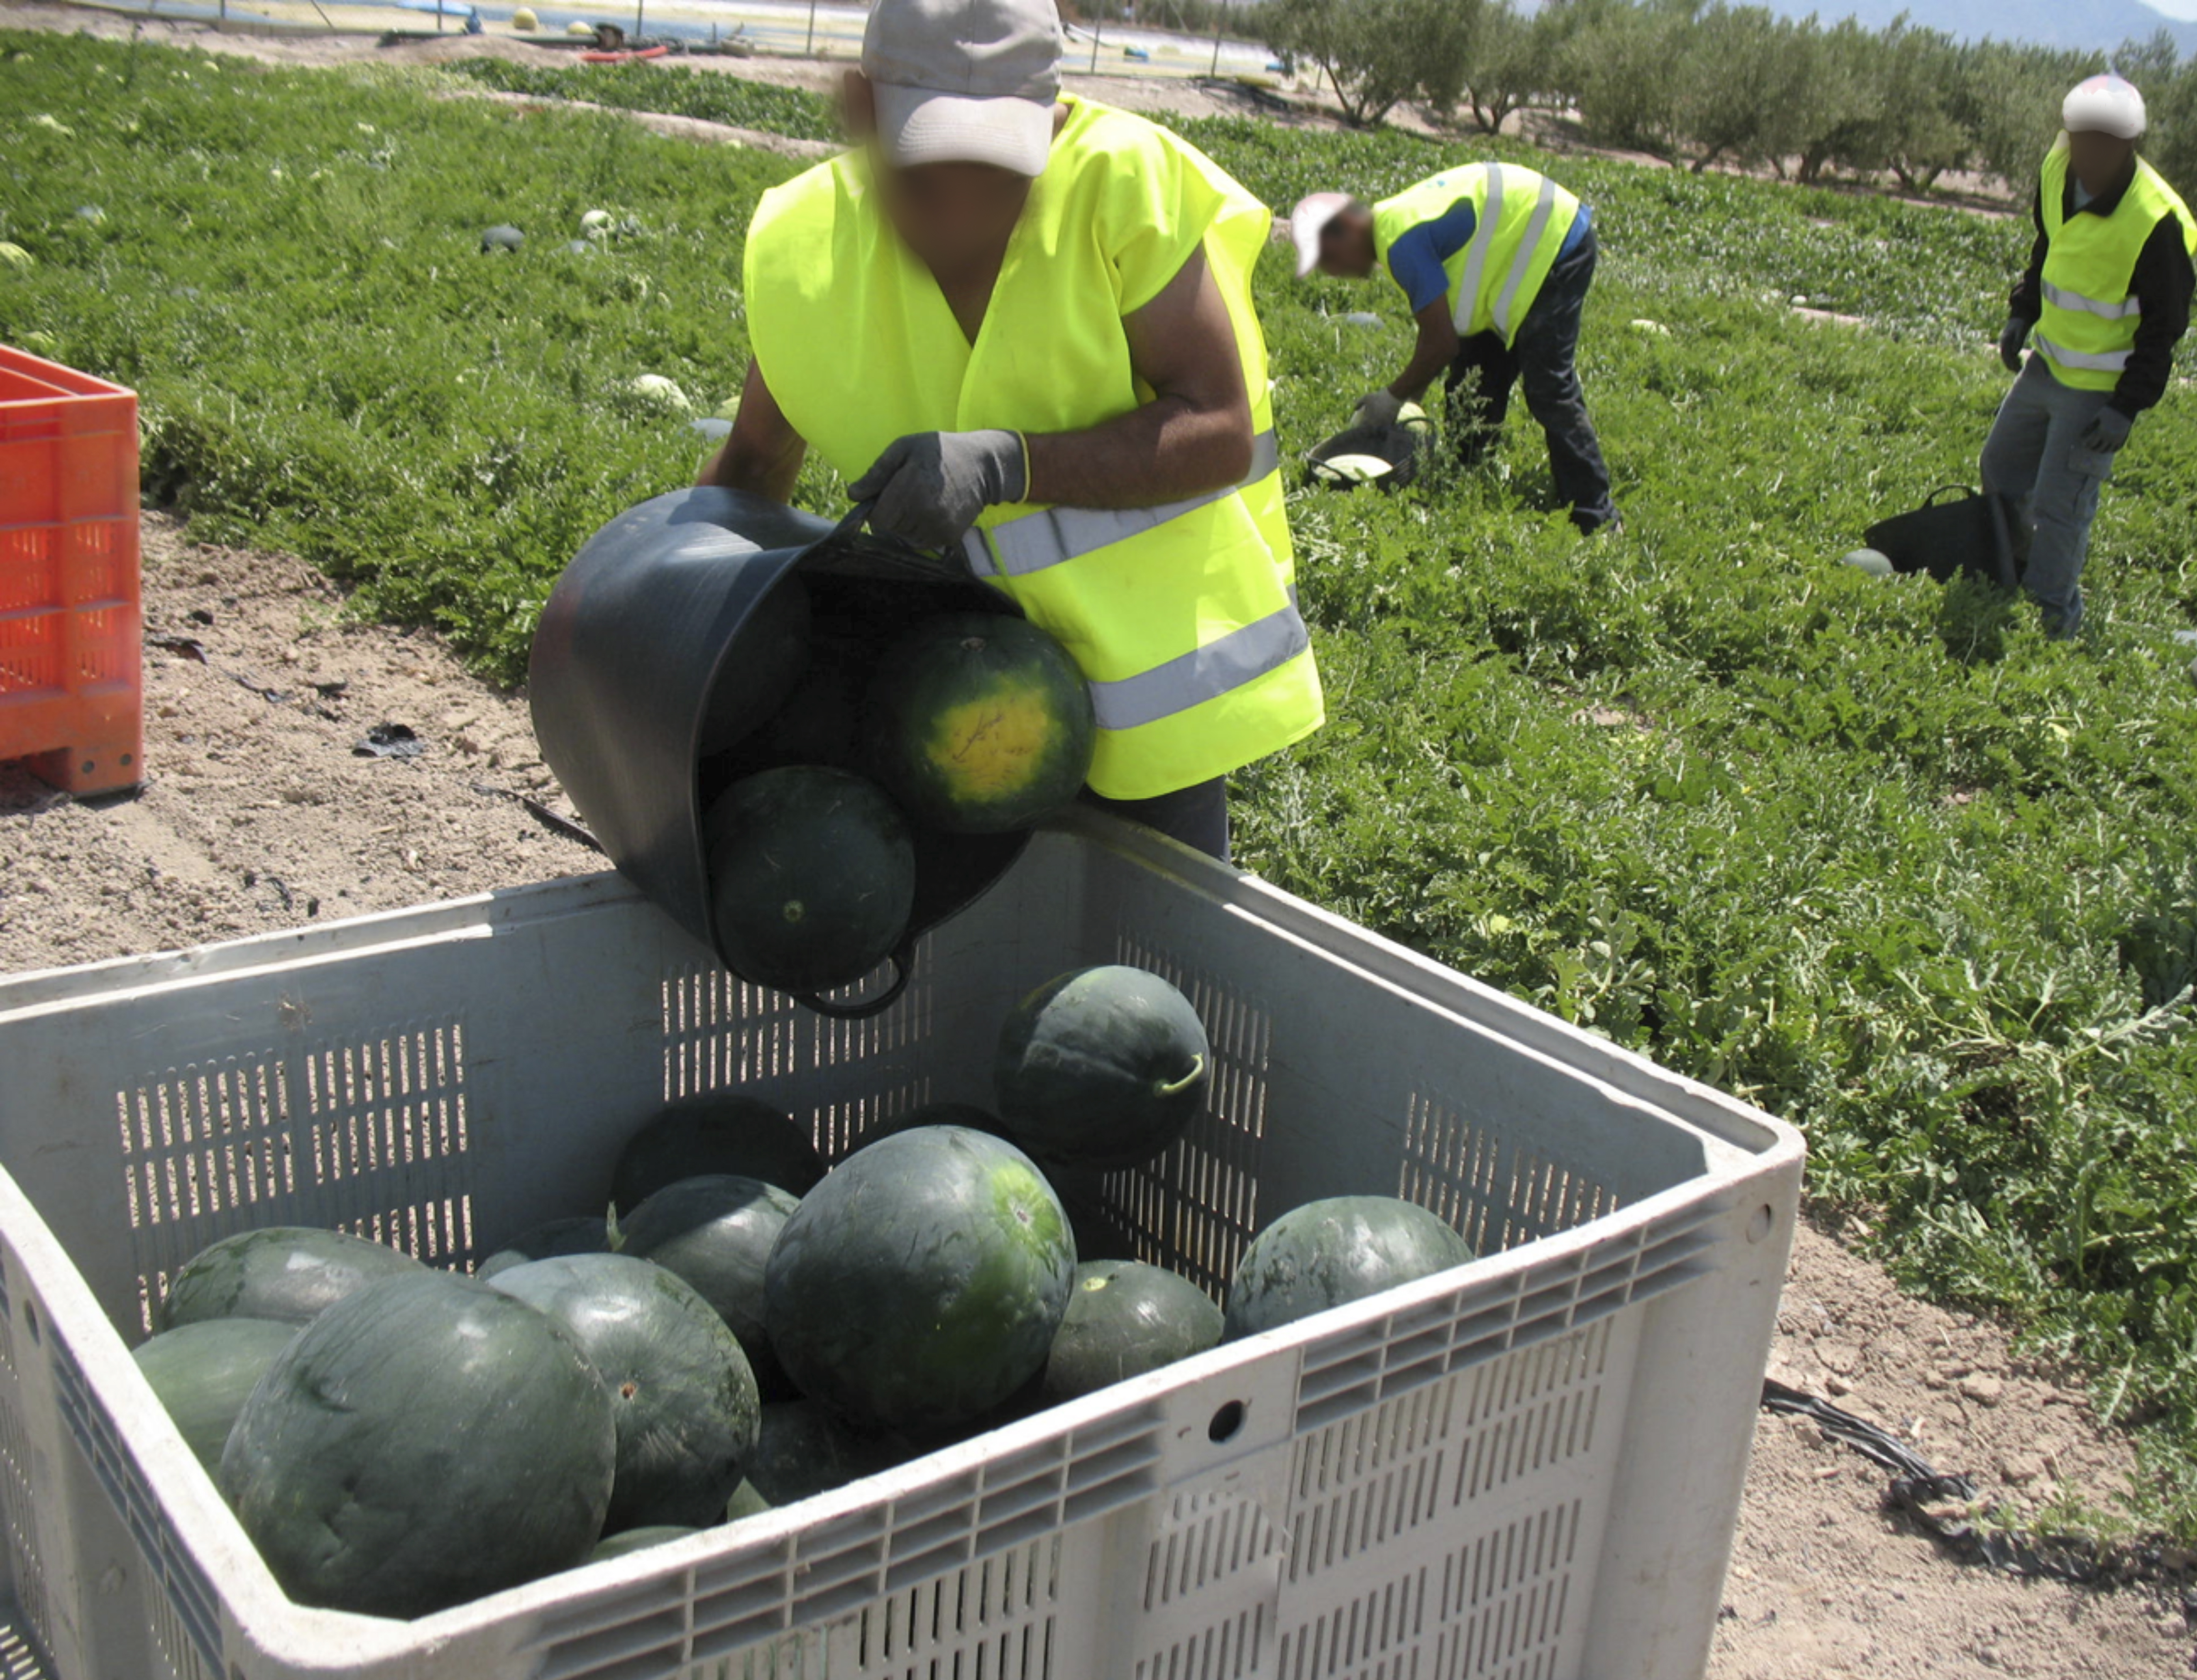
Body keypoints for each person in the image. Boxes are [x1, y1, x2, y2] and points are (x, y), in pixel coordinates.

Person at [699, 0, 1321, 863]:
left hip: (1146, 707)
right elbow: (756, 458)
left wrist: (1009, 464)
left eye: (997, 174)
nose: (959, 213)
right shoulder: (804, 245)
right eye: (922, 172)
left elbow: (1216, 429)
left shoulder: (1117, 187)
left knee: (1143, 977)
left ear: (1053, 116)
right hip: (934, 699)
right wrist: (679, 617)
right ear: (858, 106)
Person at [1289, 167, 1620, 535]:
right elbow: (1446, 334)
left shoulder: (1401, 241)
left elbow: (1440, 343)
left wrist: (1392, 398)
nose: (1333, 272)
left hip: (1556, 243)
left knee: (1549, 388)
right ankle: (1467, 478)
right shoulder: (1393, 229)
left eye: (1327, 259)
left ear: (1347, 227)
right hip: (1514, 259)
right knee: (1475, 377)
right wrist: (1407, 399)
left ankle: (1599, 519)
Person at [1986, 73, 2193, 639]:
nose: (2089, 155)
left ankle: (2054, 622)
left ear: (2131, 147)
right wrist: (2022, 312)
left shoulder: (2158, 221)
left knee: (2060, 506)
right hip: (2046, 366)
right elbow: (2048, 247)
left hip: (2098, 389)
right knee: (2000, 468)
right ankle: (2008, 575)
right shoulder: (2057, 171)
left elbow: (2165, 328)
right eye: (2082, 139)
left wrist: (2127, 408)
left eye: (2105, 144)